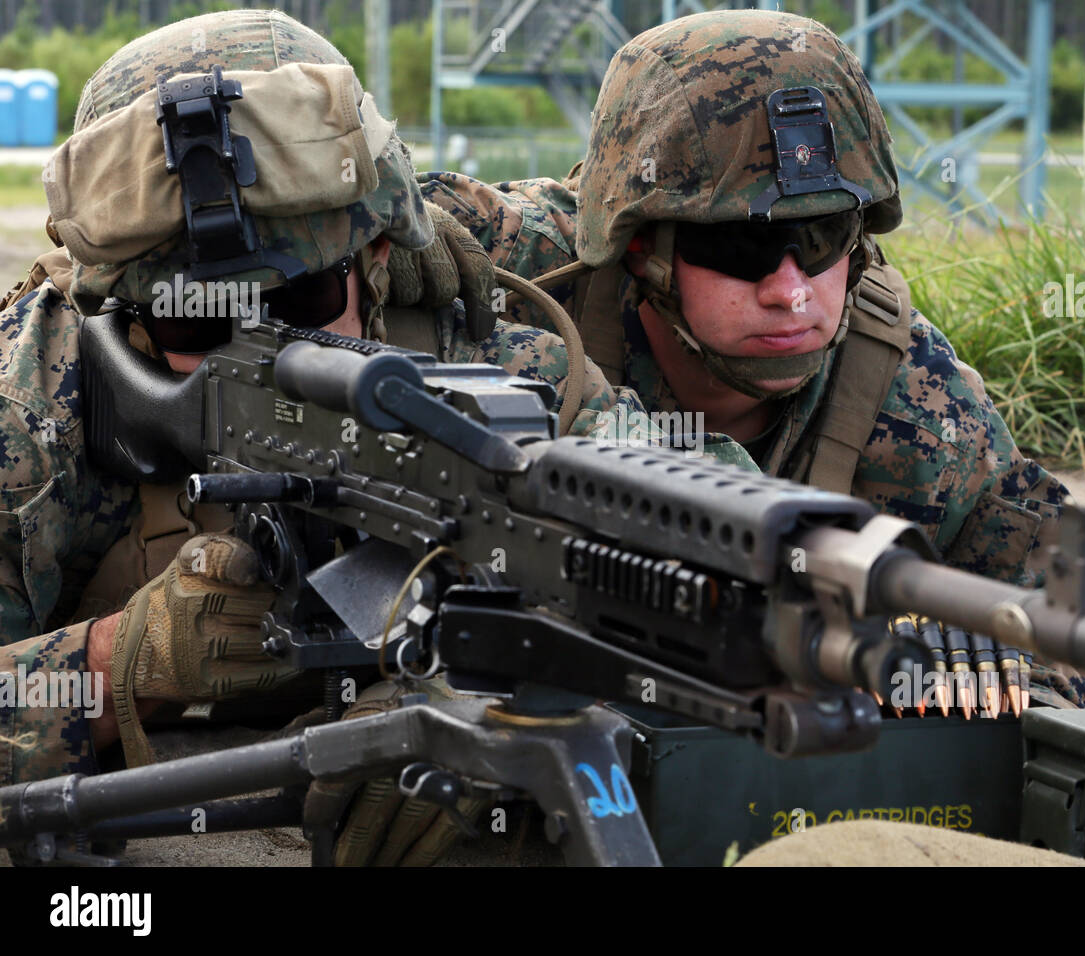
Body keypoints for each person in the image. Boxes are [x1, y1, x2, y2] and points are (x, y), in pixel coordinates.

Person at [0, 10, 670, 815]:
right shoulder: (36, 405)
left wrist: (456, 715)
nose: (260, 350)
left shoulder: (484, 364)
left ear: (377, 259)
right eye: (200, 319)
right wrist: (124, 660)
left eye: (303, 301)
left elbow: (676, 527)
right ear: (123, 314)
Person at [416, 8, 1085, 711]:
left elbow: (1078, 639)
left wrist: (935, 701)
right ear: (642, 248)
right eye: (740, 248)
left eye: (822, 239)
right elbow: (353, 231)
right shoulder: (518, 274)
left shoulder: (919, 408)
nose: (789, 292)